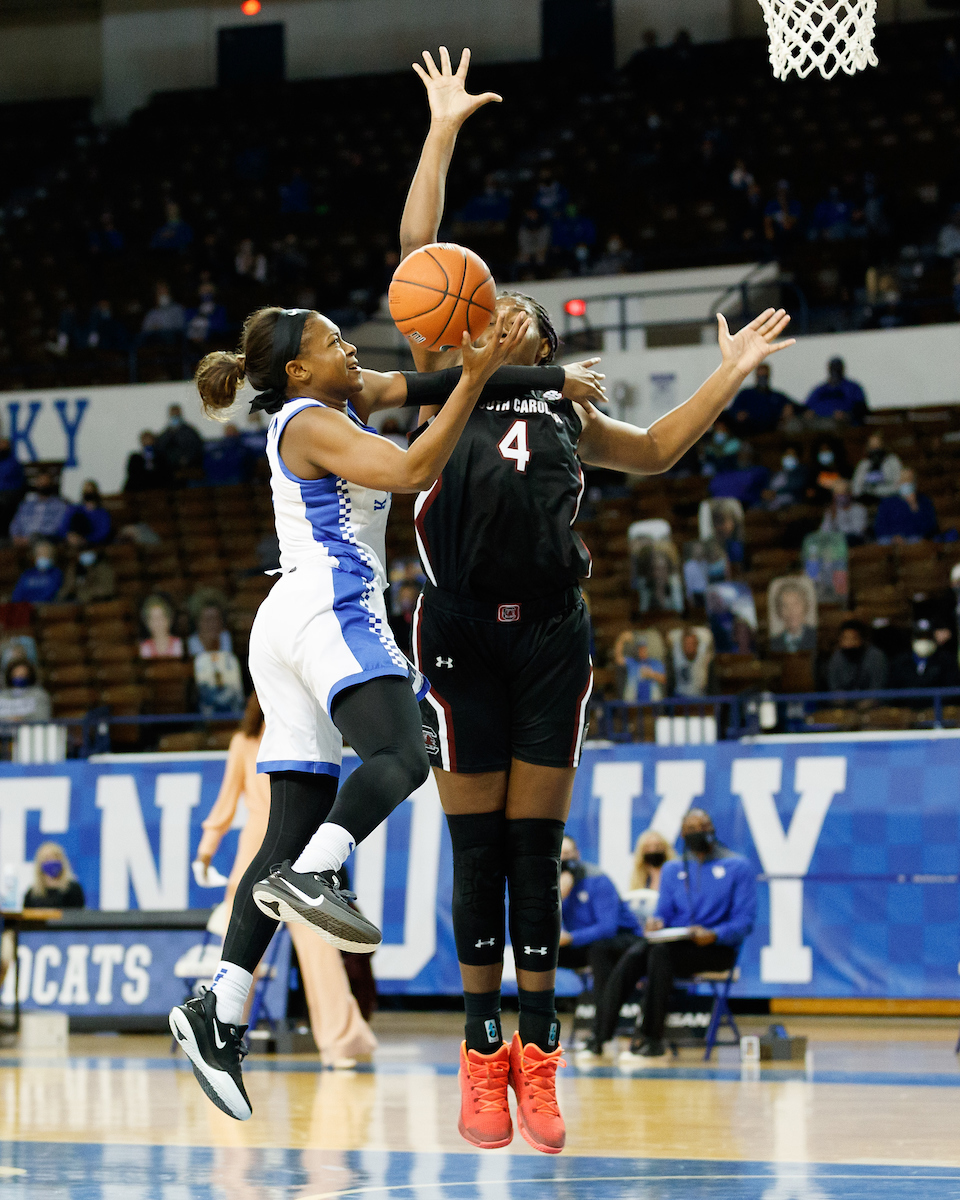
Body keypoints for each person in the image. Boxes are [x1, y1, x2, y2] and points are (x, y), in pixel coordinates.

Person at [401, 46, 794, 1155]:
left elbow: (664, 448)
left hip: (554, 641)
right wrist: (441, 131)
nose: (505, 307)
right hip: (459, 631)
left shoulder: (572, 414)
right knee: (475, 853)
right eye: (494, 303)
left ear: (550, 338)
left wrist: (728, 370)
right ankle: (480, 1053)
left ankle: (538, 1051)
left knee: (536, 854)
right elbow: (420, 253)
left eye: (523, 309)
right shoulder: (453, 371)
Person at [169, 295, 562, 1123]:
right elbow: (414, 470)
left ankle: (220, 1008)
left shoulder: (349, 398)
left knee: (283, 833)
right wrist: (481, 377)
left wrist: (553, 377)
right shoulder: (309, 420)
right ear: (298, 370)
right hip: (330, 605)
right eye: (333, 342)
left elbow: (442, 384)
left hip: (286, 626)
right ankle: (321, 868)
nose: (353, 348)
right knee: (404, 756)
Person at [194, 694, 377, 1066]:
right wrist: (206, 849)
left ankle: (341, 1043)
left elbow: (229, 806)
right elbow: (226, 803)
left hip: (292, 857)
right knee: (247, 957)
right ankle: (221, 1038)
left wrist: (206, 850)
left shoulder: (301, 734)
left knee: (311, 957)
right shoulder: (256, 741)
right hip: (275, 857)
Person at [630, 809, 756, 1059]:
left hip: (716, 950)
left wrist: (715, 934)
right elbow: (663, 913)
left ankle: (649, 1039)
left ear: (712, 830)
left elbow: (745, 922)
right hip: (679, 945)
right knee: (636, 952)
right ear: (682, 834)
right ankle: (605, 1035)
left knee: (658, 954)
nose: (700, 832)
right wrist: (657, 923)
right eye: (692, 828)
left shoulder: (737, 866)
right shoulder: (673, 868)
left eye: (704, 826)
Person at [579, 828, 675, 1058]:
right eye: (648, 848)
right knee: (605, 953)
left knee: (648, 954)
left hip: (668, 941)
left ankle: (646, 1037)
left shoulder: (677, 874)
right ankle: (600, 1034)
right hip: (643, 938)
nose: (653, 852)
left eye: (657, 847)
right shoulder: (637, 880)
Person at [557, 836, 641, 1043]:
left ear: (578, 855)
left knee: (599, 950)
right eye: (561, 856)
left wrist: (571, 938)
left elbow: (607, 928)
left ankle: (600, 1034)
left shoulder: (598, 879)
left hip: (625, 940)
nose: (566, 860)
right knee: (540, 953)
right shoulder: (553, 883)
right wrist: (558, 896)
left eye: (569, 854)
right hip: (586, 944)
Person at [888, 618, 960, 693]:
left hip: (937, 704)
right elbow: (891, 692)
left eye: (927, 637)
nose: (923, 640)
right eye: (920, 637)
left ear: (934, 639)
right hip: (907, 704)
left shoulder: (946, 661)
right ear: (913, 639)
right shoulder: (899, 662)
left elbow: (952, 692)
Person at [875, 468, 939, 544]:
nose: (905, 484)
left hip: (914, 539)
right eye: (902, 480)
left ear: (914, 483)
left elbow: (930, 527)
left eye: (908, 480)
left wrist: (914, 505)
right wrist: (894, 537)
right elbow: (879, 527)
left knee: (916, 541)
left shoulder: (924, 501)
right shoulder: (887, 502)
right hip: (890, 540)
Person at [725, 363, 793, 435]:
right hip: (749, 430)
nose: (762, 379)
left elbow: (798, 408)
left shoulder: (777, 396)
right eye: (760, 376)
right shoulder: (746, 394)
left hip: (772, 430)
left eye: (764, 376)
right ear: (756, 376)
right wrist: (738, 414)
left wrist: (789, 408)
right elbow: (732, 411)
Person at [193, 621, 245, 716]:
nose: (212, 636)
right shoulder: (200, 660)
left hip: (231, 706)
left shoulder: (230, 658)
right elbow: (202, 688)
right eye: (208, 632)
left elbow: (236, 689)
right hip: (209, 707)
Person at [9, 472, 70, 545]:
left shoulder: (59, 505)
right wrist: (16, 537)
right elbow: (15, 523)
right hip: (21, 539)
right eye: (40, 483)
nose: (43, 486)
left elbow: (56, 527)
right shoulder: (26, 504)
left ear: (51, 485)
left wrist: (31, 538)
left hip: (44, 540)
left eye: (45, 484)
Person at [826, 619, 888, 691]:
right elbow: (834, 688)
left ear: (862, 639)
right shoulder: (836, 658)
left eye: (854, 638)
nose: (849, 643)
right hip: (845, 701)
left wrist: (868, 701)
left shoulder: (876, 657)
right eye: (845, 639)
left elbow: (878, 688)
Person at [804, 357, 867, 424]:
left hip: (845, 425)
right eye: (833, 368)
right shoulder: (820, 389)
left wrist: (846, 415)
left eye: (837, 368)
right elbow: (808, 408)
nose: (835, 371)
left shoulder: (853, 388)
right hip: (819, 423)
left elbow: (861, 409)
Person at [22, 843, 85, 909]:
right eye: (47, 858)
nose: (52, 861)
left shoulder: (73, 889)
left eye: (56, 857)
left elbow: (78, 915)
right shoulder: (32, 894)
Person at [155, 404, 204, 483]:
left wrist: (186, 459)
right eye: (172, 414)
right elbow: (160, 448)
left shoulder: (190, 432)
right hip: (170, 468)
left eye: (176, 414)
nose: (174, 417)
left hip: (189, 465)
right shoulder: (165, 434)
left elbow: (196, 448)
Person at [613, 630, 666, 702]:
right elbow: (618, 658)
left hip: (652, 705)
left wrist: (651, 674)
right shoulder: (632, 662)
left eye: (644, 649)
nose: (642, 651)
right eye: (640, 649)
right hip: (634, 705)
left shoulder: (655, 663)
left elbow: (664, 679)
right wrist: (621, 639)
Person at [769, 579, 817, 653]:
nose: (791, 611)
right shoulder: (774, 643)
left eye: (796, 604)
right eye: (785, 606)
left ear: (805, 607)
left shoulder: (816, 637)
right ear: (779, 611)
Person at [851, 433, 902, 499]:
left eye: (877, 445)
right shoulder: (864, 464)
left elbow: (898, 483)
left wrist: (878, 491)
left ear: (883, 445)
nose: (875, 449)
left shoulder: (892, 460)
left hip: (889, 497)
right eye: (872, 446)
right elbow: (856, 487)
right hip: (868, 499)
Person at [60, 481, 112, 546]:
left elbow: (103, 532)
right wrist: (69, 536)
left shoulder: (102, 513)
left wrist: (86, 539)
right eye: (86, 491)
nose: (89, 493)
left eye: (91, 491)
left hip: (92, 544)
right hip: (71, 542)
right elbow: (63, 527)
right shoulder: (74, 509)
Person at [667, 626, 713, 697]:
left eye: (691, 643)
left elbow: (706, 634)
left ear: (696, 644)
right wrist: (685, 631)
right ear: (682, 645)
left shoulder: (702, 654)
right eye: (686, 644)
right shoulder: (677, 653)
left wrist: (692, 630)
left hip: (699, 696)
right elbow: (671, 635)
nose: (689, 646)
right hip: (680, 696)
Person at [819, 478, 868, 545]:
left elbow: (858, 531)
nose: (841, 497)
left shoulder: (859, 509)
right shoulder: (832, 511)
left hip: (854, 541)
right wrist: (833, 517)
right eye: (838, 494)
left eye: (844, 494)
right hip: (835, 542)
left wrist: (840, 534)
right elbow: (824, 531)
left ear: (850, 494)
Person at [763, 445, 810, 511]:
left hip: (790, 507)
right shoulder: (777, 473)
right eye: (787, 454)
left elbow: (796, 485)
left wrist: (775, 492)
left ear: (798, 458)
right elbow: (767, 489)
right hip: (770, 507)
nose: (789, 457)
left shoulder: (801, 471)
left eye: (792, 455)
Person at [139, 595, 184, 659]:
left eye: (161, 617)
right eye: (153, 619)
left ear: (169, 619)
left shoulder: (180, 645)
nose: (158, 623)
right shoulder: (143, 649)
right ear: (147, 623)